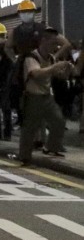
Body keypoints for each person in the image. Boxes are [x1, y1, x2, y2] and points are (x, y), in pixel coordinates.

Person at [18, 27, 72, 163]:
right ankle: (24, 156)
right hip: (33, 97)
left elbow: (60, 76)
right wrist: (54, 68)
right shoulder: (32, 57)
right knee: (29, 129)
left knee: (59, 121)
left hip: (47, 97)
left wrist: (66, 70)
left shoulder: (51, 58)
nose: (55, 47)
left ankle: (51, 147)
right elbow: (36, 73)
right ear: (43, 41)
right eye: (53, 43)